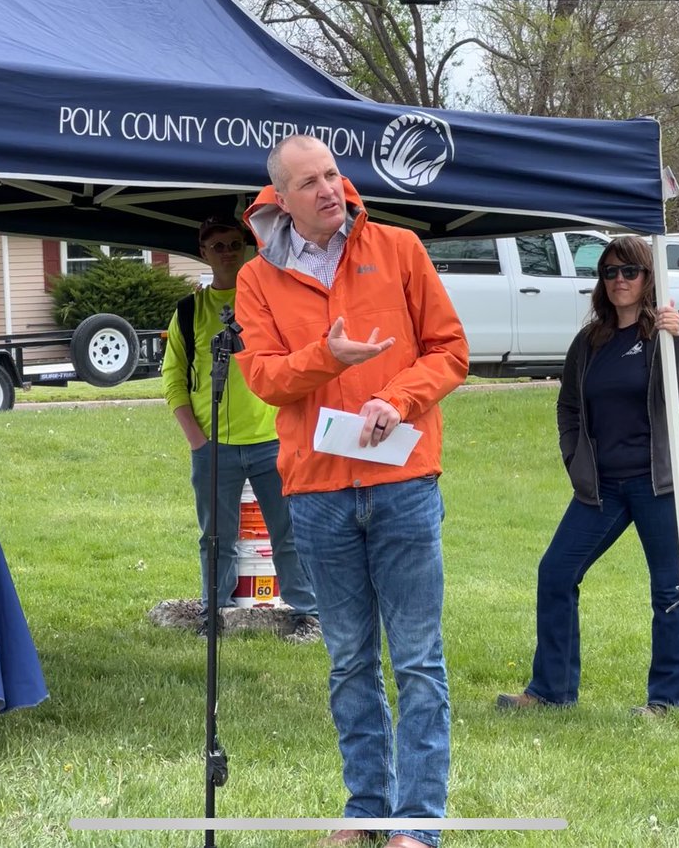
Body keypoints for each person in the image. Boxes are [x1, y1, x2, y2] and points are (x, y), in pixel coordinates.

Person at [234, 135, 468, 848]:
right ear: (281, 198)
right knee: (349, 661)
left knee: (418, 658)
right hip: (318, 493)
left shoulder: (398, 248)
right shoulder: (256, 280)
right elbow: (265, 379)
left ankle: (418, 826)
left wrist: (398, 399)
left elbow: (451, 350)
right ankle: (367, 808)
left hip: (402, 482)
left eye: (333, 174)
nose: (329, 189)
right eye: (309, 182)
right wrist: (326, 358)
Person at [497, 236, 679, 717]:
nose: (618, 281)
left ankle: (669, 699)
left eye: (629, 272)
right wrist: (575, 459)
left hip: (662, 483)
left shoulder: (663, 333)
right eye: (609, 273)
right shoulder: (590, 342)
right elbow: (568, 406)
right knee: (556, 572)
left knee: (669, 589)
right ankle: (551, 692)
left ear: (648, 277)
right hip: (602, 488)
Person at [161, 215, 320, 643]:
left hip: (274, 440)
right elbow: (173, 379)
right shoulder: (189, 310)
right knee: (216, 537)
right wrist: (197, 438)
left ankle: (307, 614)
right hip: (214, 448)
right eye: (218, 246)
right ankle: (215, 611)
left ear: (247, 248)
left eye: (235, 244)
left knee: (289, 533)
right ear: (203, 253)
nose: (228, 252)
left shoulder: (269, 300)